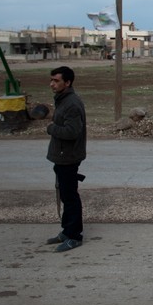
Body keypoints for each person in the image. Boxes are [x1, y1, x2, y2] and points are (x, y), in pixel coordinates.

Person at [45, 66, 87, 253]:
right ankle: (66, 231)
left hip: (68, 157)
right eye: (51, 80)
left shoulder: (71, 103)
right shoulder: (63, 100)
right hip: (62, 156)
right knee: (65, 194)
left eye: (56, 80)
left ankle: (75, 235)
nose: (52, 84)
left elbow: (72, 132)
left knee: (70, 197)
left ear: (67, 82)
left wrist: (51, 128)